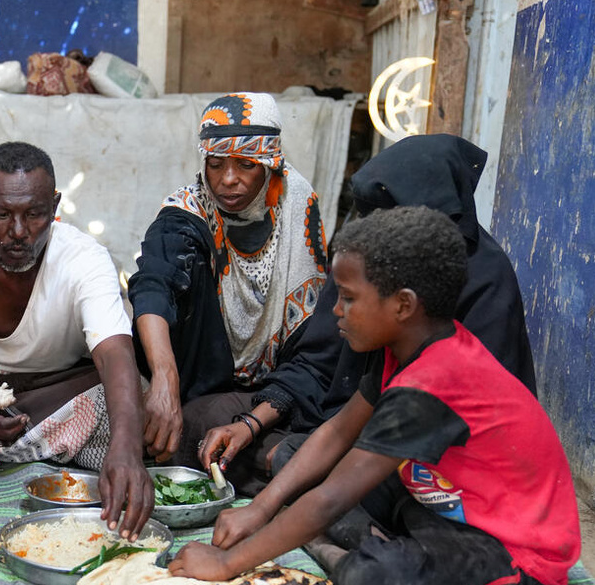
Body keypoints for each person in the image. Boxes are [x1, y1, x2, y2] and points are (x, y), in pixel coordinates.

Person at [169, 206, 579, 585]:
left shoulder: (436, 381)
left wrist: (227, 564)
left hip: (511, 548)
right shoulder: (400, 350)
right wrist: (260, 509)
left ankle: (337, 553)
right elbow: (336, 433)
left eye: (348, 297)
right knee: (294, 455)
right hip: (436, 502)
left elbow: (330, 499)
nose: (337, 312)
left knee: (384, 584)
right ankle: (365, 540)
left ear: (403, 304)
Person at [196, 134, 538, 487]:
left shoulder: (481, 289)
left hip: (434, 451)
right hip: (347, 421)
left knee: (300, 467)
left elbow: (455, 429)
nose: (340, 309)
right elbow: (320, 362)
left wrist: (304, 456)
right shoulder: (362, 261)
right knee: (204, 426)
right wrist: (251, 424)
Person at [0, 141, 153, 536]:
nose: (17, 233)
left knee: (133, 401)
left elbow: (114, 353)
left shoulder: (85, 259)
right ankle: (4, 440)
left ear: (55, 206)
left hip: (57, 388)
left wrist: (128, 451)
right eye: (0, 215)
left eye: (34, 215)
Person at [127, 92, 328, 472]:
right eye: (216, 165)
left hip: (280, 389)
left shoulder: (298, 205)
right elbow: (154, 283)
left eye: (246, 165)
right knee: (198, 423)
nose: (227, 180)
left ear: (270, 166)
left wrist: (257, 419)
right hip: (202, 384)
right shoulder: (188, 212)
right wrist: (165, 378)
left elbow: (315, 343)